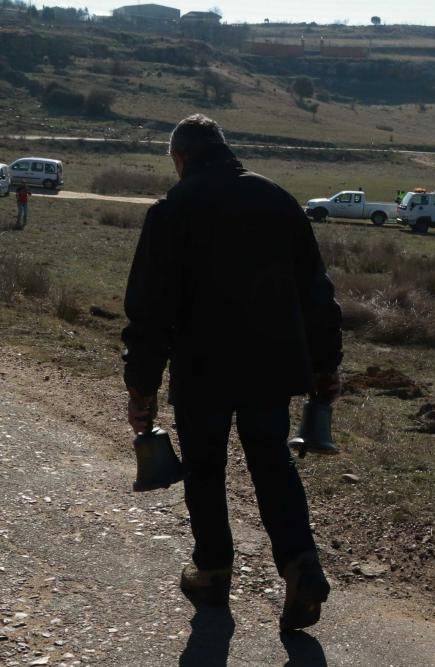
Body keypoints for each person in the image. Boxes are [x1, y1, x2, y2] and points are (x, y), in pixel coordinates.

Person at [121, 114, 342, 632]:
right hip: (272, 366)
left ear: (180, 158)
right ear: (224, 149)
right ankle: (301, 566)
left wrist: (141, 388)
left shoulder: (172, 211)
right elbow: (318, 294)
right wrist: (326, 364)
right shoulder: (279, 201)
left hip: (203, 368)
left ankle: (213, 572)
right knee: (272, 465)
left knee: (204, 469)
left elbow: (149, 310)